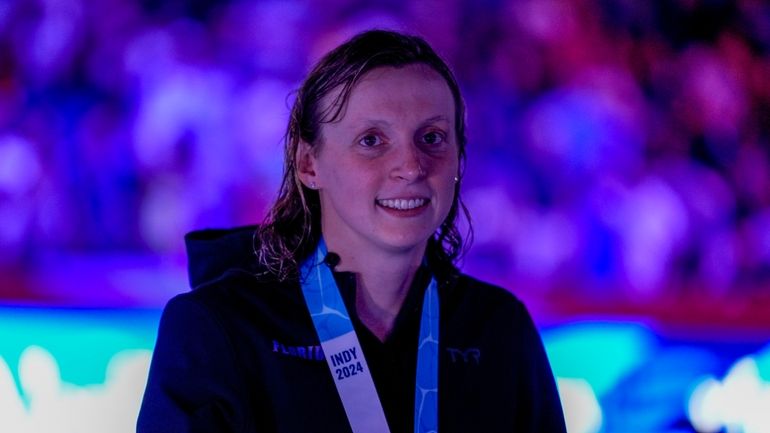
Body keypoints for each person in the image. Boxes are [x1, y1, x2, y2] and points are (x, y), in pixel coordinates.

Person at [137, 29, 567, 433]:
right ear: (309, 164)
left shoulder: (499, 330)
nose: (412, 166)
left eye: (433, 137)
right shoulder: (216, 328)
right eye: (372, 140)